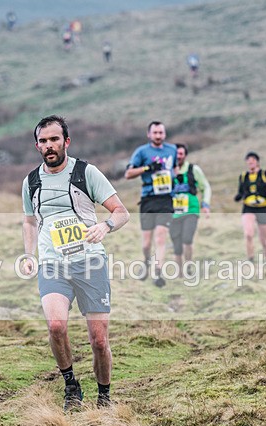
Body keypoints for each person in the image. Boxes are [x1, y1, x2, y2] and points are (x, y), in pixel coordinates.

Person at [21, 115, 129, 410]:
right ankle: (71, 386)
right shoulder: (31, 181)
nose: (49, 146)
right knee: (56, 326)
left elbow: (121, 211)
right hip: (53, 263)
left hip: (89, 262)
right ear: (37, 146)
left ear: (66, 141)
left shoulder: (86, 172)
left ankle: (104, 396)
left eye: (54, 139)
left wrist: (105, 227)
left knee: (98, 340)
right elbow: (30, 222)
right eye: (43, 141)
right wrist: (29, 255)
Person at [124, 121, 178, 287]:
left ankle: (158, 273)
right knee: (147, 243)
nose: (158, 136)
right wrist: (147, 168)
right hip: (148, 199)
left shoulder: (172, 150)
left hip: (166, 199)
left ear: (165, 134)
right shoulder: (141, 152)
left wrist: (175, 181)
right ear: (149, 134)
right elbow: (128, 174)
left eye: (160, 132)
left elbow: (174, 169)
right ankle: (147, 260)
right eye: (155, 133)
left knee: (161, 237)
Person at [170, 143, 211, 276]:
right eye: (177, 154)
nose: (179, 156)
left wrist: (205, 204)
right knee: (176, 243)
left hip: (191, 210)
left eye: (181, 154)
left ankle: (188, 267)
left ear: (185, 155)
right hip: (173, 212)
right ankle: (179, 272)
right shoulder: (167, 171)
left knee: (187, 238)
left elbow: (206, 187)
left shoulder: (194, 170)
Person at [234, 152, 266, 261]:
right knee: (248, 234)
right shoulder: (243, 176)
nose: (250, 162)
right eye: (248, 161)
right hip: (248, 208)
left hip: (263, 208)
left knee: (263, 240)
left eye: (253, 160)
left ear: (257, 162)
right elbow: (240, 192)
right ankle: (250, 259)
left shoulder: (265, 174)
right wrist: (238, 196)